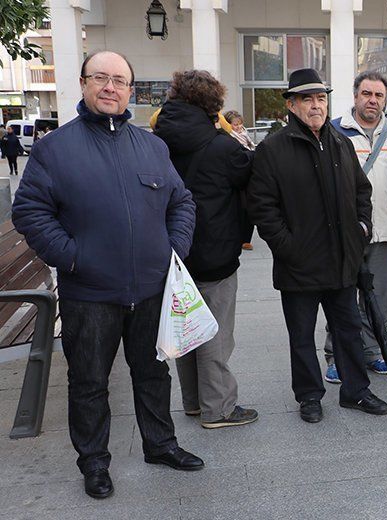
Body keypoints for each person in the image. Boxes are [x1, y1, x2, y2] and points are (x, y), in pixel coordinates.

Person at [11, 50, 202, 499]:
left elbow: (182, 202)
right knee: (90, 381)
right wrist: (73, 257)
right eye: (101, 78)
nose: (110, 87)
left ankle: (161, 444)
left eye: (120, 80)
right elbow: (30, 211)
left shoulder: (152, 145)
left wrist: (172, 249)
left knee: (154, 374)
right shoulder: (54, 148)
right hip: (90, 293)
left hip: (151, 289)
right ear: (83, 84)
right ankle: (95, 462)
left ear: (131, 91)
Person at [246, 68, 387, 422]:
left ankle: (356, 390)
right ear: (292, 105)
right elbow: (263, 208)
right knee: (301, 336)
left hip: (342, 260)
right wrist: (288, 247)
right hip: (299, 264)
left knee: (348, 330)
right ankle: (309, 395)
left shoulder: (338, 142)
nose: (316, 106)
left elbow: (361, 190)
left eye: (321, 98)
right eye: (308, 99)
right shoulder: (273, 148)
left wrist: (361, 228)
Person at [153, 70, 259, 429]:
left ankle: (194, 402)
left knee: (186, 324)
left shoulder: (157, 142)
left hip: (172, 252)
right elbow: (251, 181)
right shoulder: (223, 147)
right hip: (215, 253)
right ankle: (220, 408)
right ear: (213, 105)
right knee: (214, 330)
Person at [322, 71, 387, 384]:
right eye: (366, 94)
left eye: (379, 95)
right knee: (341, 299)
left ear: (386, 99)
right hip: (345, 234)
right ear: (356, 96)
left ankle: (372, 351)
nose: (372, 100)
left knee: (380, 300)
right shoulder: (333, 131)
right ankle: (337, 355)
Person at [222, 110, 256, 251]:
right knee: (241, 208)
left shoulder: (245, 136)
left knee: (249, 208)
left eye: (240, 124)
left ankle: (246, 239)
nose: (238, 127)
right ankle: (241, 237)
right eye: (235, 124)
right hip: (237, 178)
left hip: (248, 178)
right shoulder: (228, 139)